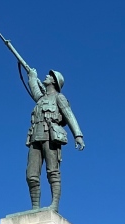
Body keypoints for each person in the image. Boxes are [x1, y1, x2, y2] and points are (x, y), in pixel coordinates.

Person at [25, 67, 85, 212]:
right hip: (35, 135)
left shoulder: (59, 97)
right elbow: (35, 90)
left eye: (49, 75)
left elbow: (69, 115)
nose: (46, 76)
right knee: (31, 175)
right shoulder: (41, 99)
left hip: (50, 135)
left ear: (54, 81)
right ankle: (35, 207)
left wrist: (78, 135)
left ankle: (54, 205)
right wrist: (32, 76)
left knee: (53, 171)